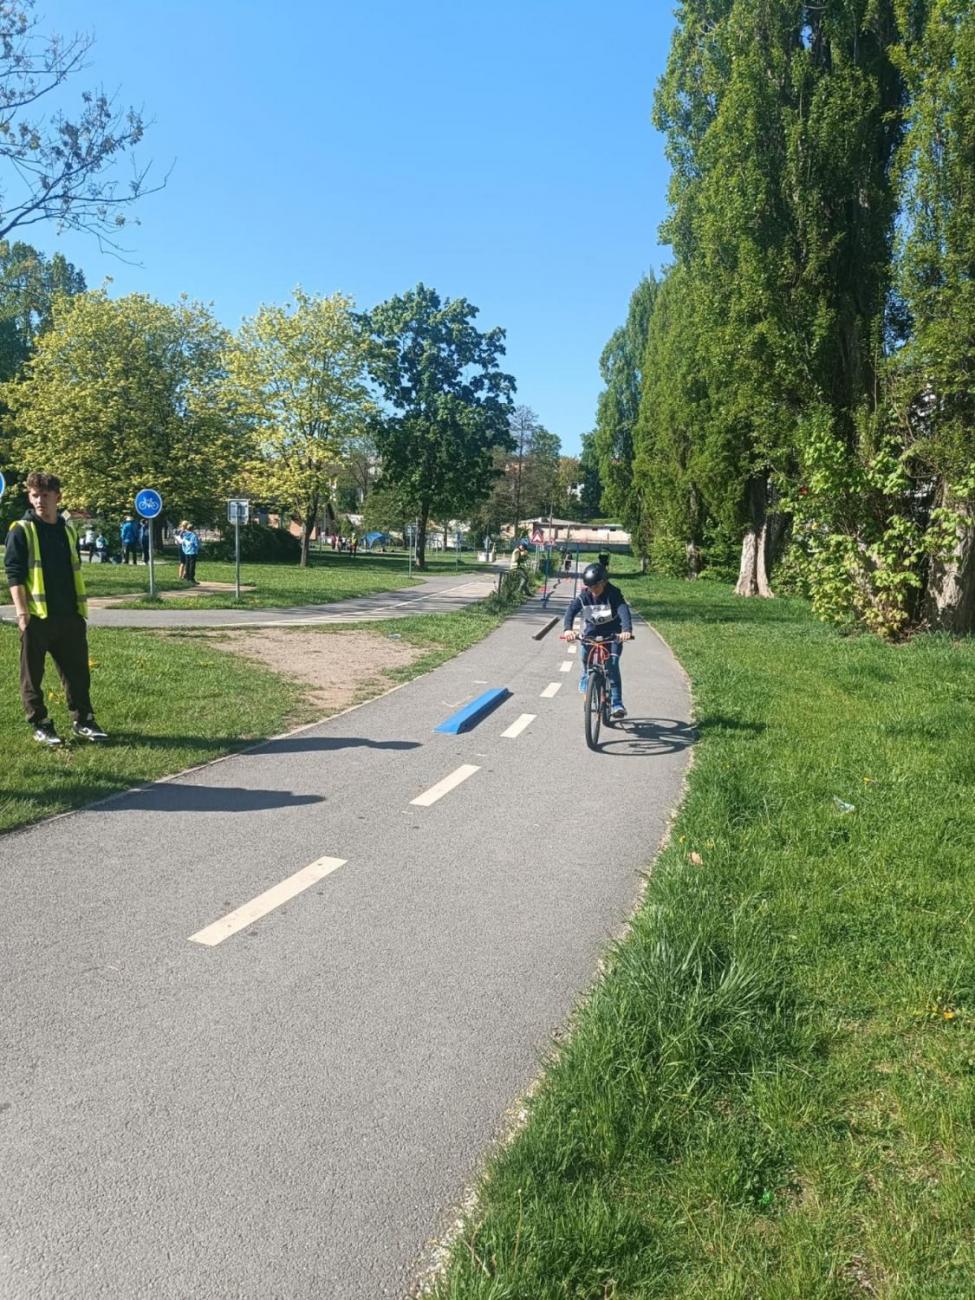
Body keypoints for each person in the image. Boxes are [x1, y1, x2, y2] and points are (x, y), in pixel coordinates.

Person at [4, 471, 108, 745]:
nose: (40, 501)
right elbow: (13, 573)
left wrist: (77, 613)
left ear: (58, 497)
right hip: (37, 617)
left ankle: (83, 720)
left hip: (69, 615)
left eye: (45, 495)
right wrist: (22, 613)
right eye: (35, 495)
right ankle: (40, 723)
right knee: (32, 676)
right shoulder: (21, 530)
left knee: (77, 674)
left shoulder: (67, 530)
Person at [561, 561, 633, 720]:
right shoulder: (585, 596)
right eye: (590, 588)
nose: (593, 591)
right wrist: (568, 629)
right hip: (591, 634)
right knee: (585, 656)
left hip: (612, 635)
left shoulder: (613, 593)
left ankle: (617, 703)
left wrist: (626, 630)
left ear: (604, 582)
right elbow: (571, 611)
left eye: (596, 587)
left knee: (612, 665)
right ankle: (587, 676)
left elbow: (623, 610)